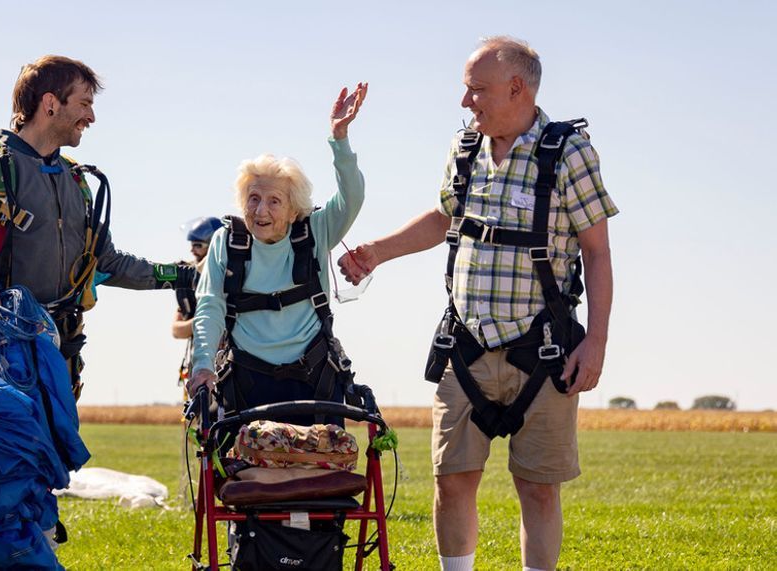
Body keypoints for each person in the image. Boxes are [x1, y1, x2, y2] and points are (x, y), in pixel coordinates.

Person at [339, 37, 617, 571]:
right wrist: (378, 252)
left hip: (544, 351)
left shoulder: (569, 153)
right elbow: (445, 218)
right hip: (464, 346)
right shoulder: (465, 146)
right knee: (452, 480)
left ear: (517, 88)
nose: (467, 103)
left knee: (537, 489)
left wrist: (597, 341)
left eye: (476, 90)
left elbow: (598, 254)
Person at [0, 55, 193, 400]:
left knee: (55, 454)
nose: (91, 117)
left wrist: (183, 275)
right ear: (50, 103)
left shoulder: (77, 180)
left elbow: (107, 264)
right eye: (84, 104)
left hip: (58, 364)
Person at [186, 83, 368, 425]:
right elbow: (210, 305)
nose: (261, 210)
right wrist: (203, 367)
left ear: (293, 208)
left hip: (314, 379)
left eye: (274, 201)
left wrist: (339, 139)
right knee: (246, 477)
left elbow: (352, 198)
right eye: (253, 198)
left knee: (321, 475)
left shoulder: (315, 230)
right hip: (246, 381)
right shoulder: (226, 242)